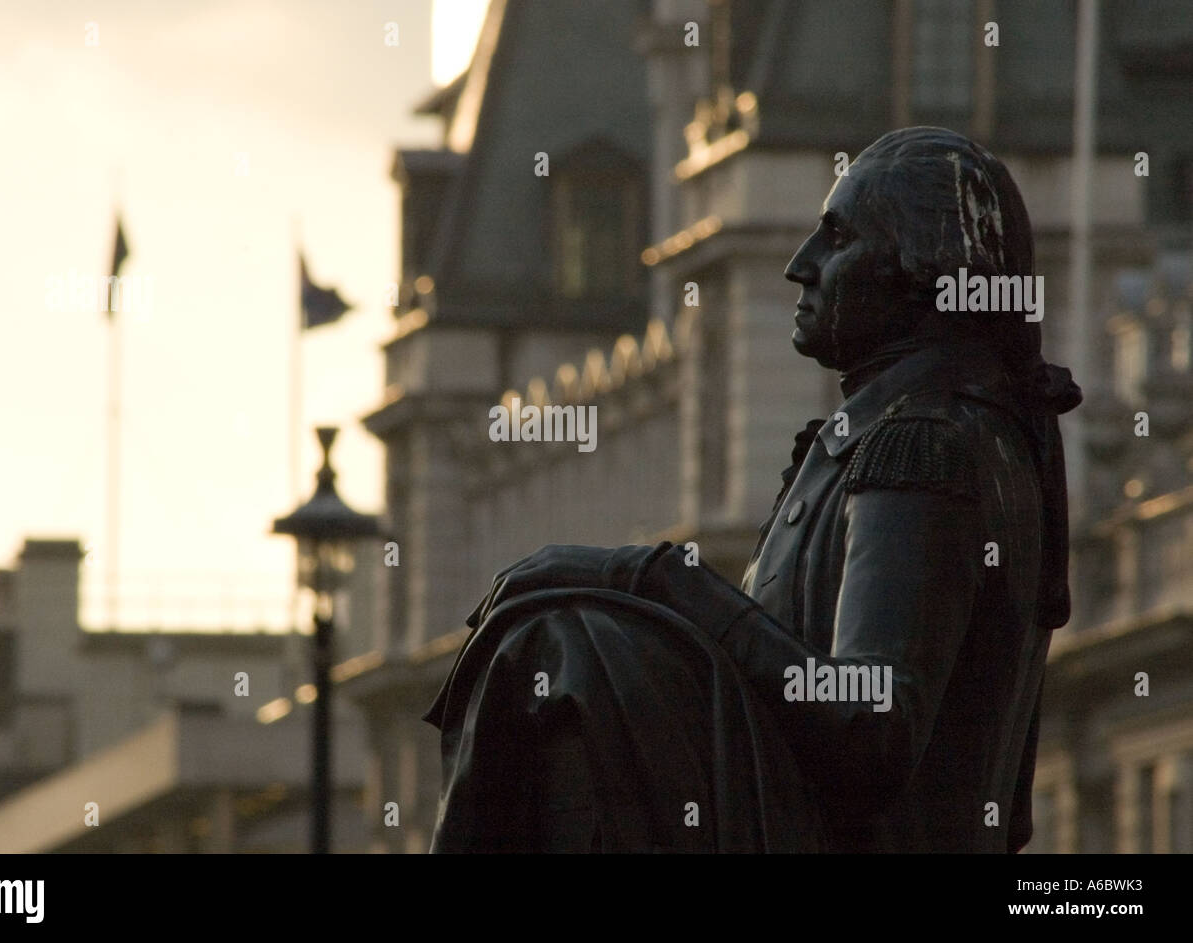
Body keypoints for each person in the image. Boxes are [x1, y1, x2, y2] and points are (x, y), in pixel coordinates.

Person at [423, 127, 1082, 853]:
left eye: (839, 239)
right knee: (561, 635)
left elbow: (871, 730)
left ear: (919, 273)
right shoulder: (942, 430)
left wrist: (662, 579)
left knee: (557, 644)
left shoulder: (923, 445)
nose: (802, 266)